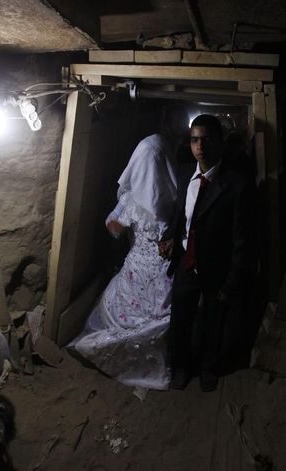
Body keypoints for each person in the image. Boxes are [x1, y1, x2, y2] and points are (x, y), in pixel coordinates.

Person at [70, 105, 188, 390]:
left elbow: (113, 226)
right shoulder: (173, 192)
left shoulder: (136, 197)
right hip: (158, 266)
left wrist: (129, 235)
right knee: (162, 310)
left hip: (144, 265)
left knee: (141, 307)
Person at [159, 114, 256, 392]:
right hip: (186, 264)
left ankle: (208, 369)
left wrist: (233, 281)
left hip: (217, 267)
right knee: (181, 319)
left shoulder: (237, 184)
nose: (200, 146)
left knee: (214, 321)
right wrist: (169, 239)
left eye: (207, 140)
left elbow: (242, 240)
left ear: (220, 143)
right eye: (194, 140)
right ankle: (181, 367)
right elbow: (180, 218)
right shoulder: (184, 175)